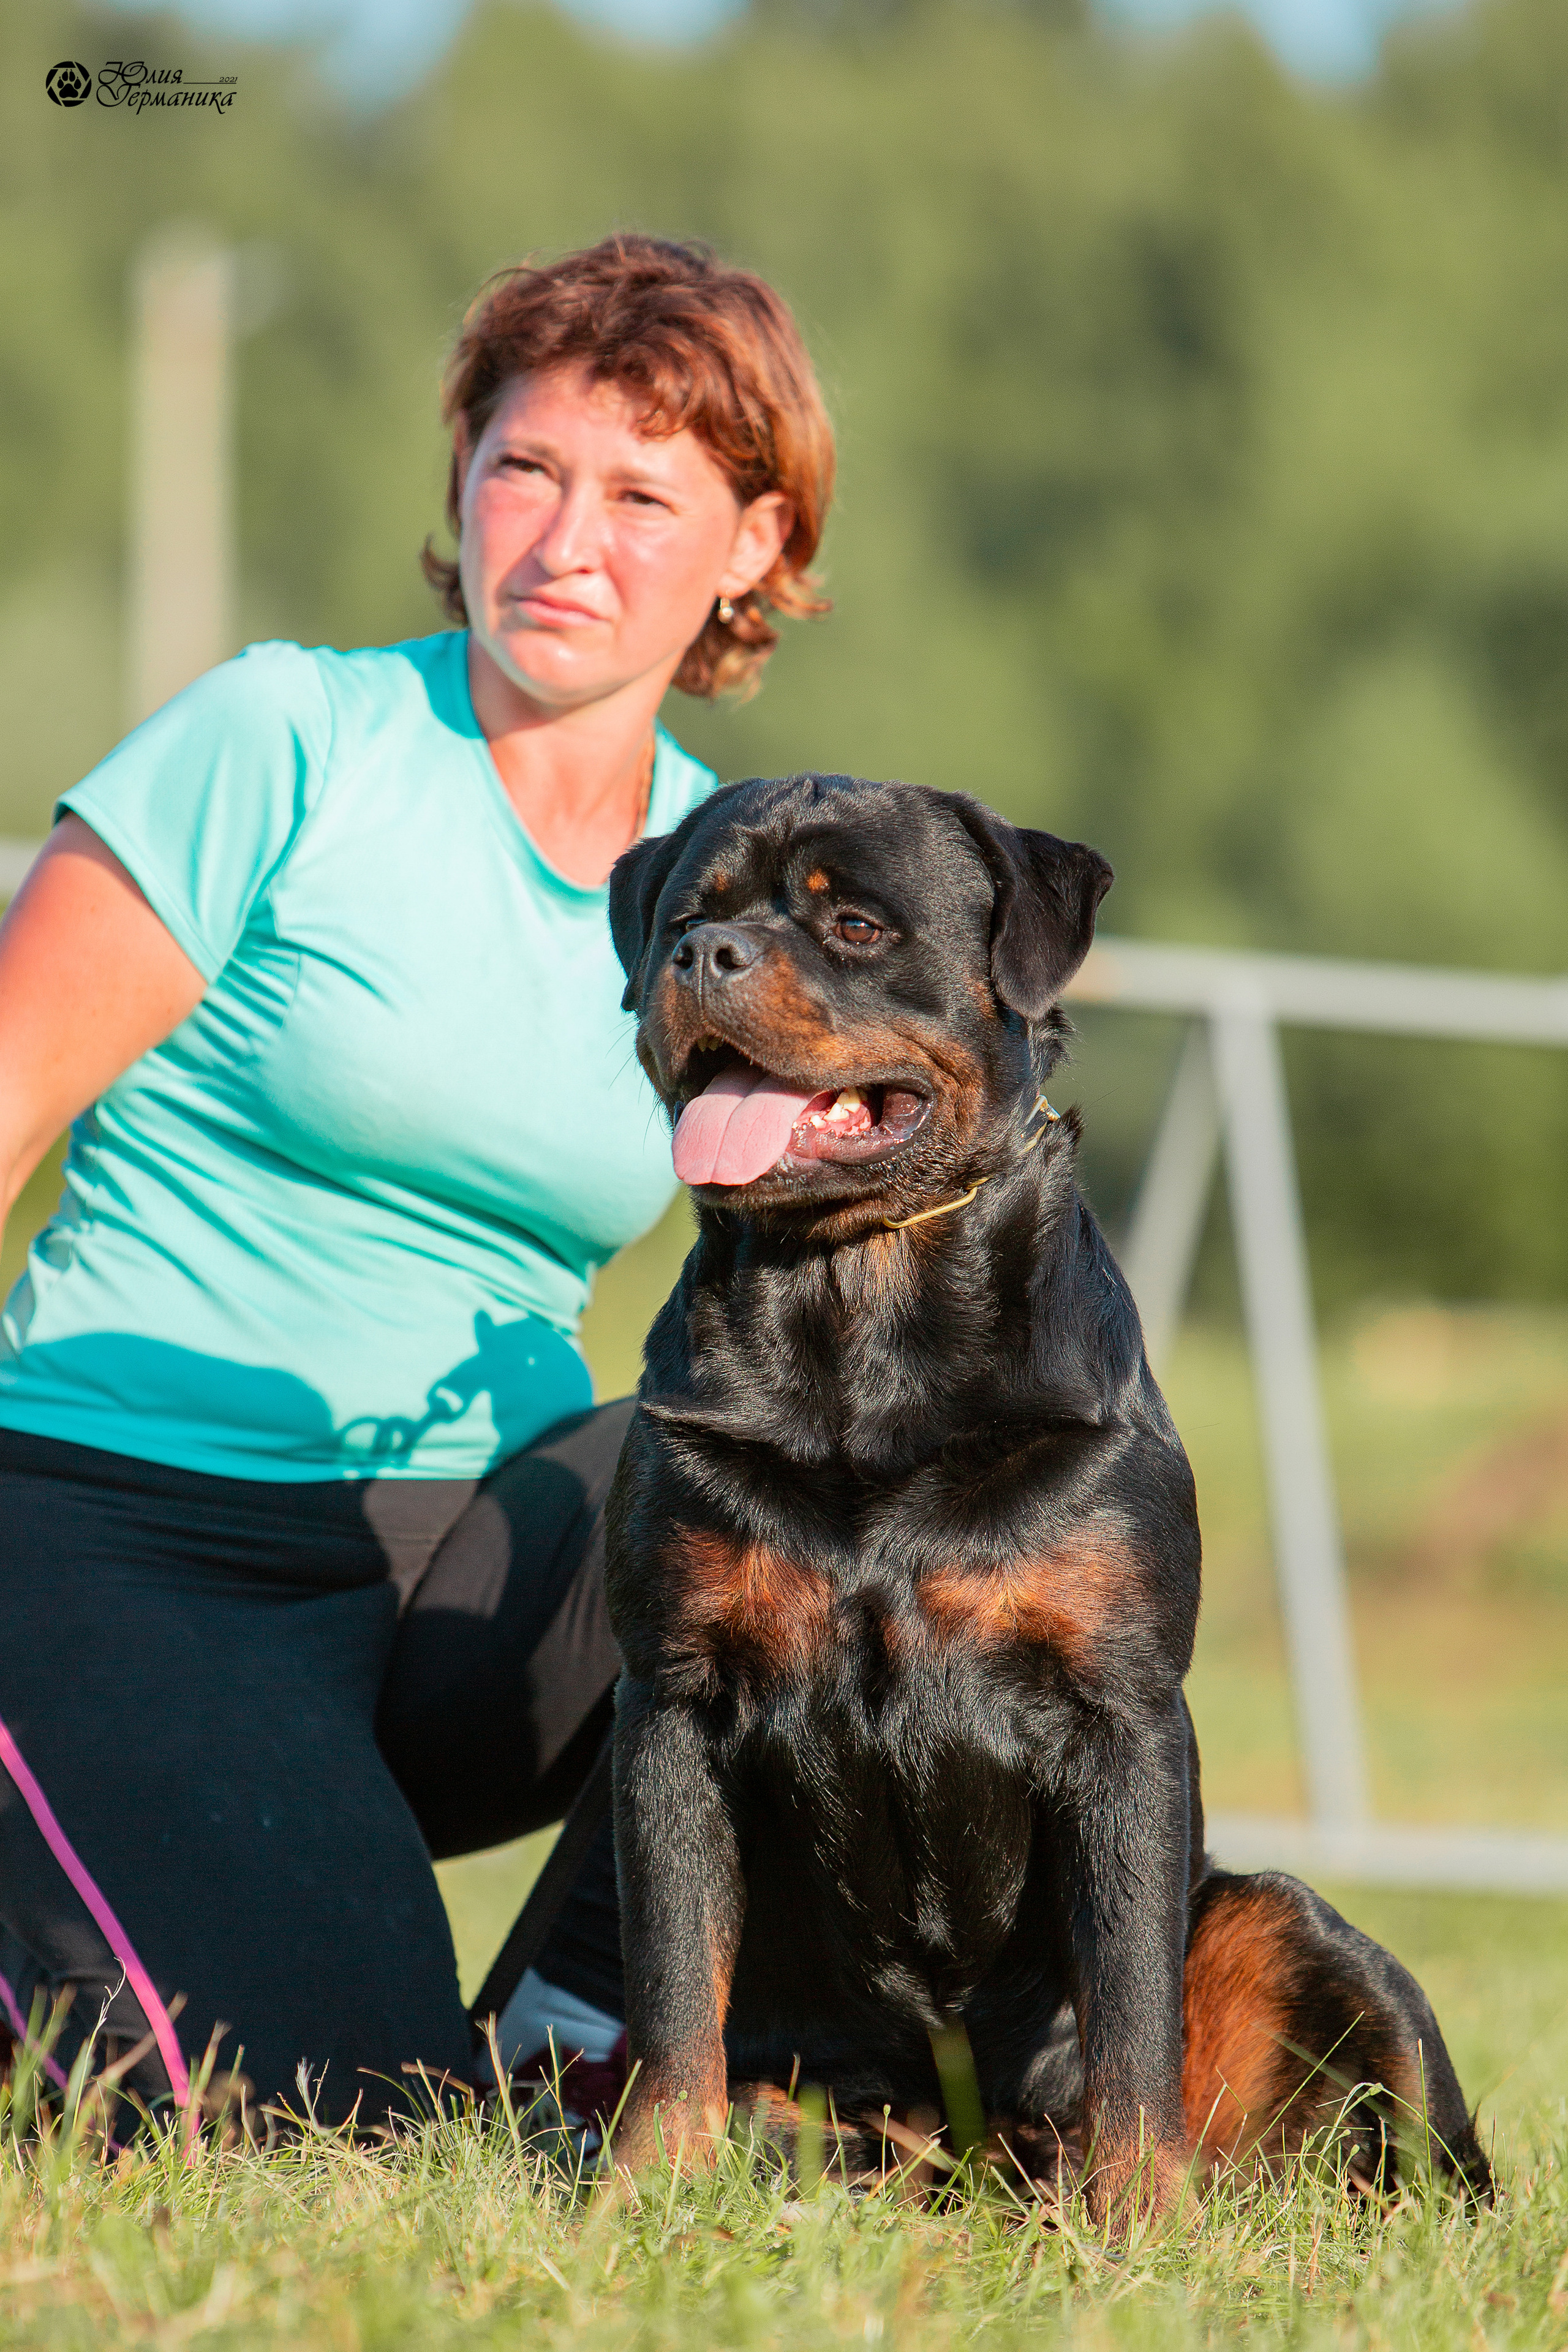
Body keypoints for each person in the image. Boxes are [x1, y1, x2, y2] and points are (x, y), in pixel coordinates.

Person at [0, 235, 834, 2128]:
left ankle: (586, 2036)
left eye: (644, 495)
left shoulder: (726, 887)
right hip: (122, 1528)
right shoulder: (287, 739)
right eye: (526, 467)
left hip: (474, 1589)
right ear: (461, 471)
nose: (566, 537)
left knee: (806, 1466)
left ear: (755, 545)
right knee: (320, 2118)